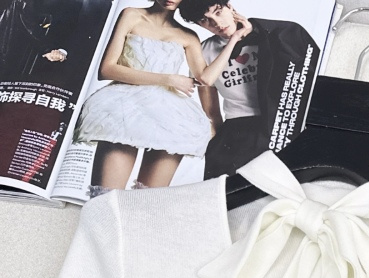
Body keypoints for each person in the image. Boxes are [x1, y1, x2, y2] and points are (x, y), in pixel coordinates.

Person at [72, 0, 232, 190]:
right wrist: (168, 79)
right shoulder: (131, 15)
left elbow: (205, 79)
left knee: (147, 200)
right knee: (105, 196)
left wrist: (234, 39)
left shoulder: (188, 36)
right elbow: (107, 69)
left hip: (168, 114)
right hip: (123, 108)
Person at [178, 0, 316, 178]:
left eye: (218, 12)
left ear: (230, 7)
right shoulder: (204, 52)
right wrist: (218, 144)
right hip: (238, 126)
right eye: (205, 20)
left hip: (280, 120)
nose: (216, 23)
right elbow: (211, 111)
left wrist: (255, 29)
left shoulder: (269, 35)